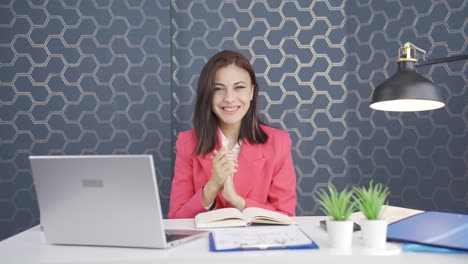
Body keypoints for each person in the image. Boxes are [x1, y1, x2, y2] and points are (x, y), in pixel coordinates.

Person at [168, 50, 297, 219]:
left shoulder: (278, 142)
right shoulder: (187, 143)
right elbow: (176, 219)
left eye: (239, 88)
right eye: (218, 89)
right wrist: (212, 186)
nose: (229, 98)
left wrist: (236, 200)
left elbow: (286, 216)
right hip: (203, 244)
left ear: (251, 92)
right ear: (208, 94)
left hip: (258, 243)